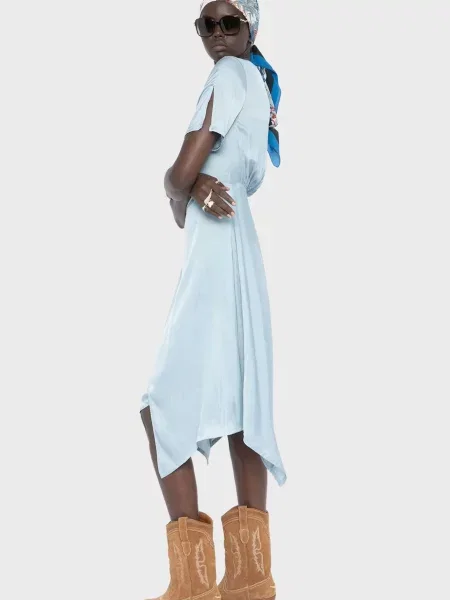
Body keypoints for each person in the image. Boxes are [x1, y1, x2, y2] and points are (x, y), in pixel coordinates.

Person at [139, 2, 286, 599]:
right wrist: (193, 185)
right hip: (239, 249)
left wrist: (187, 182)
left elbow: (177, 181)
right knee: (242, 404)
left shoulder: (226, 76)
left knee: (161, 405)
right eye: (208, 24)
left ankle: (192, 587)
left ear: (252, 28)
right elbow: (197, 194)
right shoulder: (256, 83)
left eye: (231, 23)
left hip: (214, 257)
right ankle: (250, 581)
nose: (219, 35)